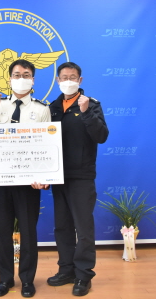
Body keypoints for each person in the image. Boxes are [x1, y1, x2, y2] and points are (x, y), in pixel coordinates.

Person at [0, 59, 51, 298]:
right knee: (2, 231)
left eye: (26, 74)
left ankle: (27, 280)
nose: (21, 78)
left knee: (29, 232)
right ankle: (5, 279)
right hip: (2, 180)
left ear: (33, 80)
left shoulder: (42, 109)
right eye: (17, 74)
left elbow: (47, 145)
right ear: (9, 79)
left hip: (29, 183)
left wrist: (45, 176)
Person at [45, 62, 109, 297]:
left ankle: (83, 275)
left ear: (80, 81)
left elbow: (101, 136)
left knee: (83, 228)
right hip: (58, 176)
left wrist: (86, 112)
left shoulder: (91, 104)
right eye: (64, 77)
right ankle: (66, 270)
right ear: (57, 80)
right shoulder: (52, 107)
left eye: (73, 77)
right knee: (62, 226)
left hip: (82, 175)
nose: (68, 81)